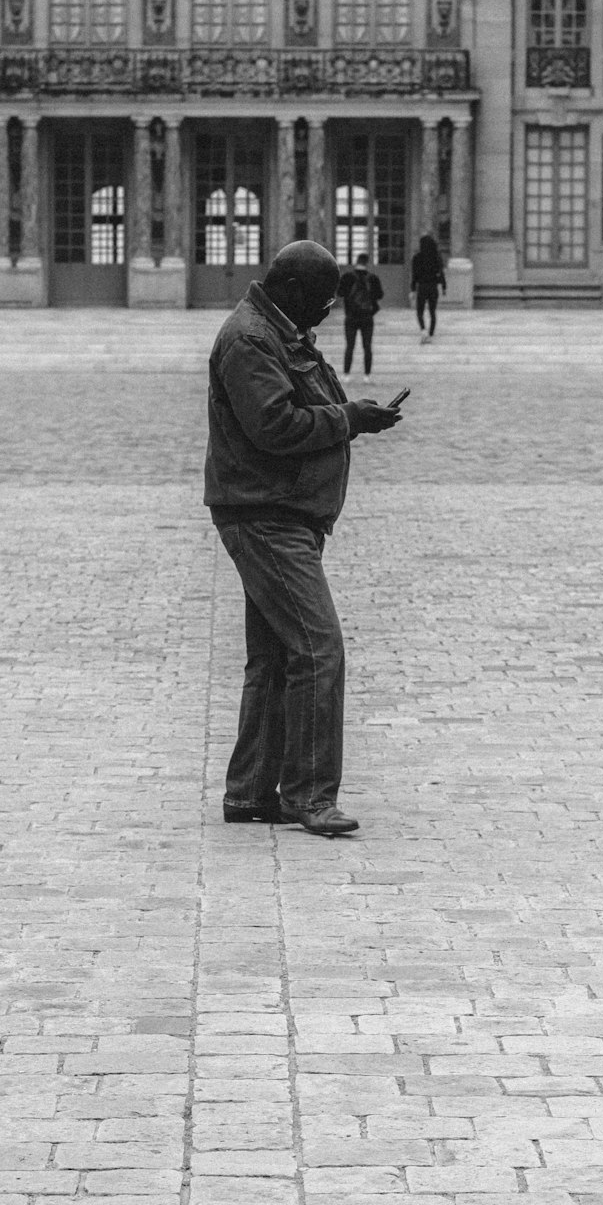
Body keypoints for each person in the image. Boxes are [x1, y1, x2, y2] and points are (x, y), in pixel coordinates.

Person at [204, 241, 402, 837]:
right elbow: (274, 426)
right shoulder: (251, 338)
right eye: (321, 300)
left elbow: (308, 407)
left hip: (285, 511)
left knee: (274, 657)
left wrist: (354, 415)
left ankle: (249, 792)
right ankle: (310, 796)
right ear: (291, 288)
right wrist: (350, 420)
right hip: (266, 515)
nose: (327, 311)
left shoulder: (280, 331)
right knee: (319, 650)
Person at [336, 251, 384, 383]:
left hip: (351, 316)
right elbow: (380, 295)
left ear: (356, 262)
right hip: (367, 317)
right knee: (367, 346)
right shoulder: (372, 278)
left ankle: (346, 374)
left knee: (349, 346)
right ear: (367, 263)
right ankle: (367, 375)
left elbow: (340, 293)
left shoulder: (347, 277)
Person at [411, 234, 447, 344]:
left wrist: (412, 289)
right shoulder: (437, 257)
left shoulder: (417, 258)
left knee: (420, 312)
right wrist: (444, 287)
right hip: (433, 287)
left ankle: (423, 331)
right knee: (432, 312)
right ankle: (430, 334)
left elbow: (414, 275)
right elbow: (441, 274)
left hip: (422, 287)